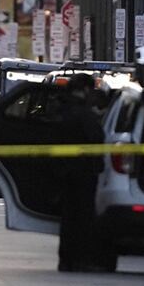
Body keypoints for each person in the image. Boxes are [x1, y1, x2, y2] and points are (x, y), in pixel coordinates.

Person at [55, 73, 108, 272]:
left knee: (68, 217)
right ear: (85, 89)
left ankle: (66, 259)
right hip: (83, 171)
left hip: (64, 171)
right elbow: (96, 137)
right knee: (83, 217)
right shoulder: (84, 113)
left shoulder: (61, 110)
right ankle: (79, 259)